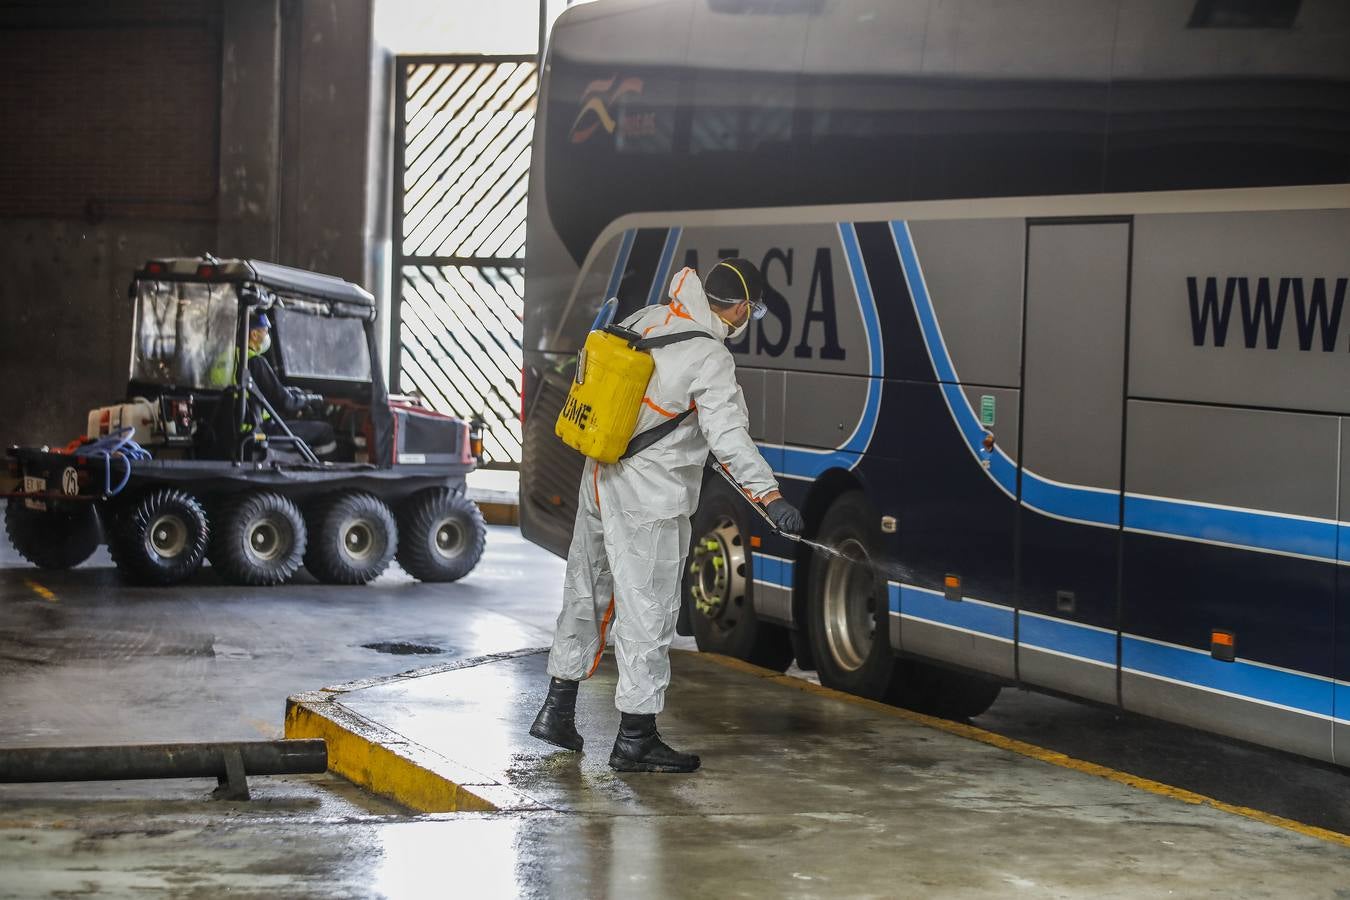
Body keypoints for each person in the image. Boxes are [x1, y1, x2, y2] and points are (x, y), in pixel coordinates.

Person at [531, 259, 805, 773]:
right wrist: (770, 498)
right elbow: (729, 440)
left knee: (585, 588)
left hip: (598, 474)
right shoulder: (710, 356)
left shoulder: (648, 319)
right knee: (648, 611)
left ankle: (557, 709)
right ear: (742, 308)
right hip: (649, 495)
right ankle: (635, 737)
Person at [242, 312, 335, 456]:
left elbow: (268, 390)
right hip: (257, 430)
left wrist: (294, 391)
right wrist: (312, 399)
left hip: (235, 429)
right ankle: (315, 471)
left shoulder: (230, 358)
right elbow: (286, 402)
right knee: (325, 431)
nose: (267, 337)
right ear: (254, 335)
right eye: (265, 332)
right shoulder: (254, 361)